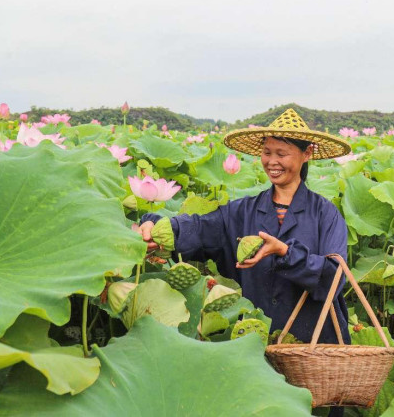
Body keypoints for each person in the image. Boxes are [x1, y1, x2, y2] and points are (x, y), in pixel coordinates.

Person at [134, 108, 353, 345]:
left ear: (307, 153)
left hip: (316, 347)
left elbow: (334, 277)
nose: (272, 162)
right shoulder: (242, 211)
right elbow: (199, 227)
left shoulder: (326, 214)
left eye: (282, 153)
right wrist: (154, 224)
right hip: (253, 345)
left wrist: (285, 253)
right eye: (267, 152)